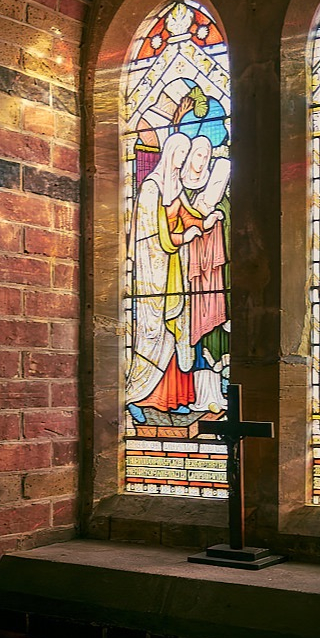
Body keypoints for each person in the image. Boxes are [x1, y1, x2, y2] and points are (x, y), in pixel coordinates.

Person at [125, 133, 202, 424]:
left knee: (174, 331)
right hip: (152, 276)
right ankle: (136, 395)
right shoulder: (150, 188)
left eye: (185, 157)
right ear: (168, 154)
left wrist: (205, 222)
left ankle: (170, 398)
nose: (181, 162)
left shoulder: (176, 186)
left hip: (173, 271)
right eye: (179, 156)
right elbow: (149, 237)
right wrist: (182, 238)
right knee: (150, 334)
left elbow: (189, 214)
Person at [180, 138, 231, 413]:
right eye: (197, 155)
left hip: (212, 270)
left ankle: (215, 393)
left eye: (206, 155)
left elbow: (226, 213)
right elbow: (174, 225)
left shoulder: (216, 189)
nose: (201, 161)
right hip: (187, 271)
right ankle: (201, 395)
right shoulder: (176, 191)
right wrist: (199, 222)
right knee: (195, 330)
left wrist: (218, 215)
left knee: (214, 327)